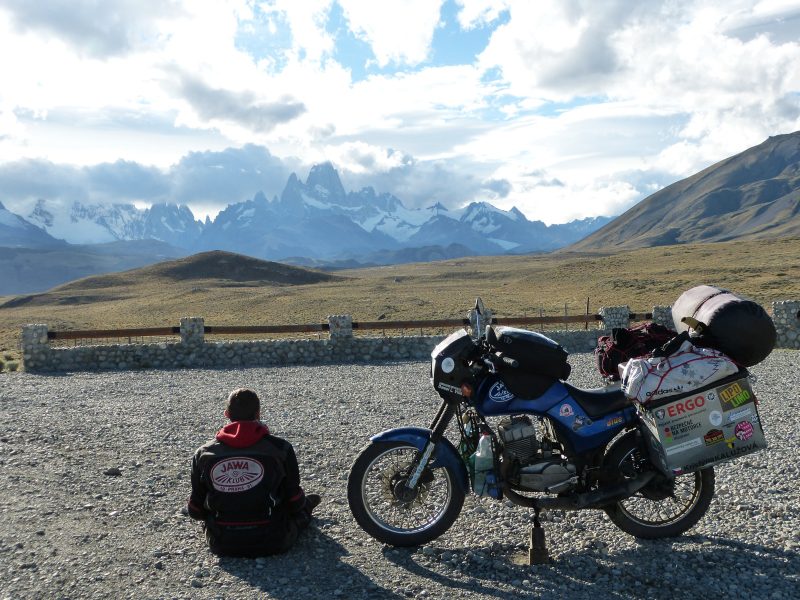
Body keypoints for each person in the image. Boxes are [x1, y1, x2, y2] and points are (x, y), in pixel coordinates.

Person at [188, 388, 321, 556]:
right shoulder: (280, 449)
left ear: (226, 414)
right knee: (298, 507)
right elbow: (294, 501)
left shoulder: (203, 453)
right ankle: (307, 509)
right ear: (258, 414)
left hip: (222, 543)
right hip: (274, 540)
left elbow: (195, 511)